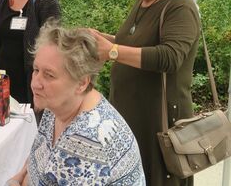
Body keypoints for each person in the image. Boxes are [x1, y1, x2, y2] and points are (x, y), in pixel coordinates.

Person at [91, 0, 200, 186]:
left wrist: (112, 51)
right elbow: (131, 43)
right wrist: (101, 39)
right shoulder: (143, 2)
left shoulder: (180, 7)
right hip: (133, 113)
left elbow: (170, 57)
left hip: (159, 119)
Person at [8, 23, 145, 185]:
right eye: (36, 70)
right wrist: (17, 179)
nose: (36, 84)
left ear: (81, 83)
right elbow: (37, 157)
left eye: (49, 75)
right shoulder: (59, 104)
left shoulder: (85, 142)